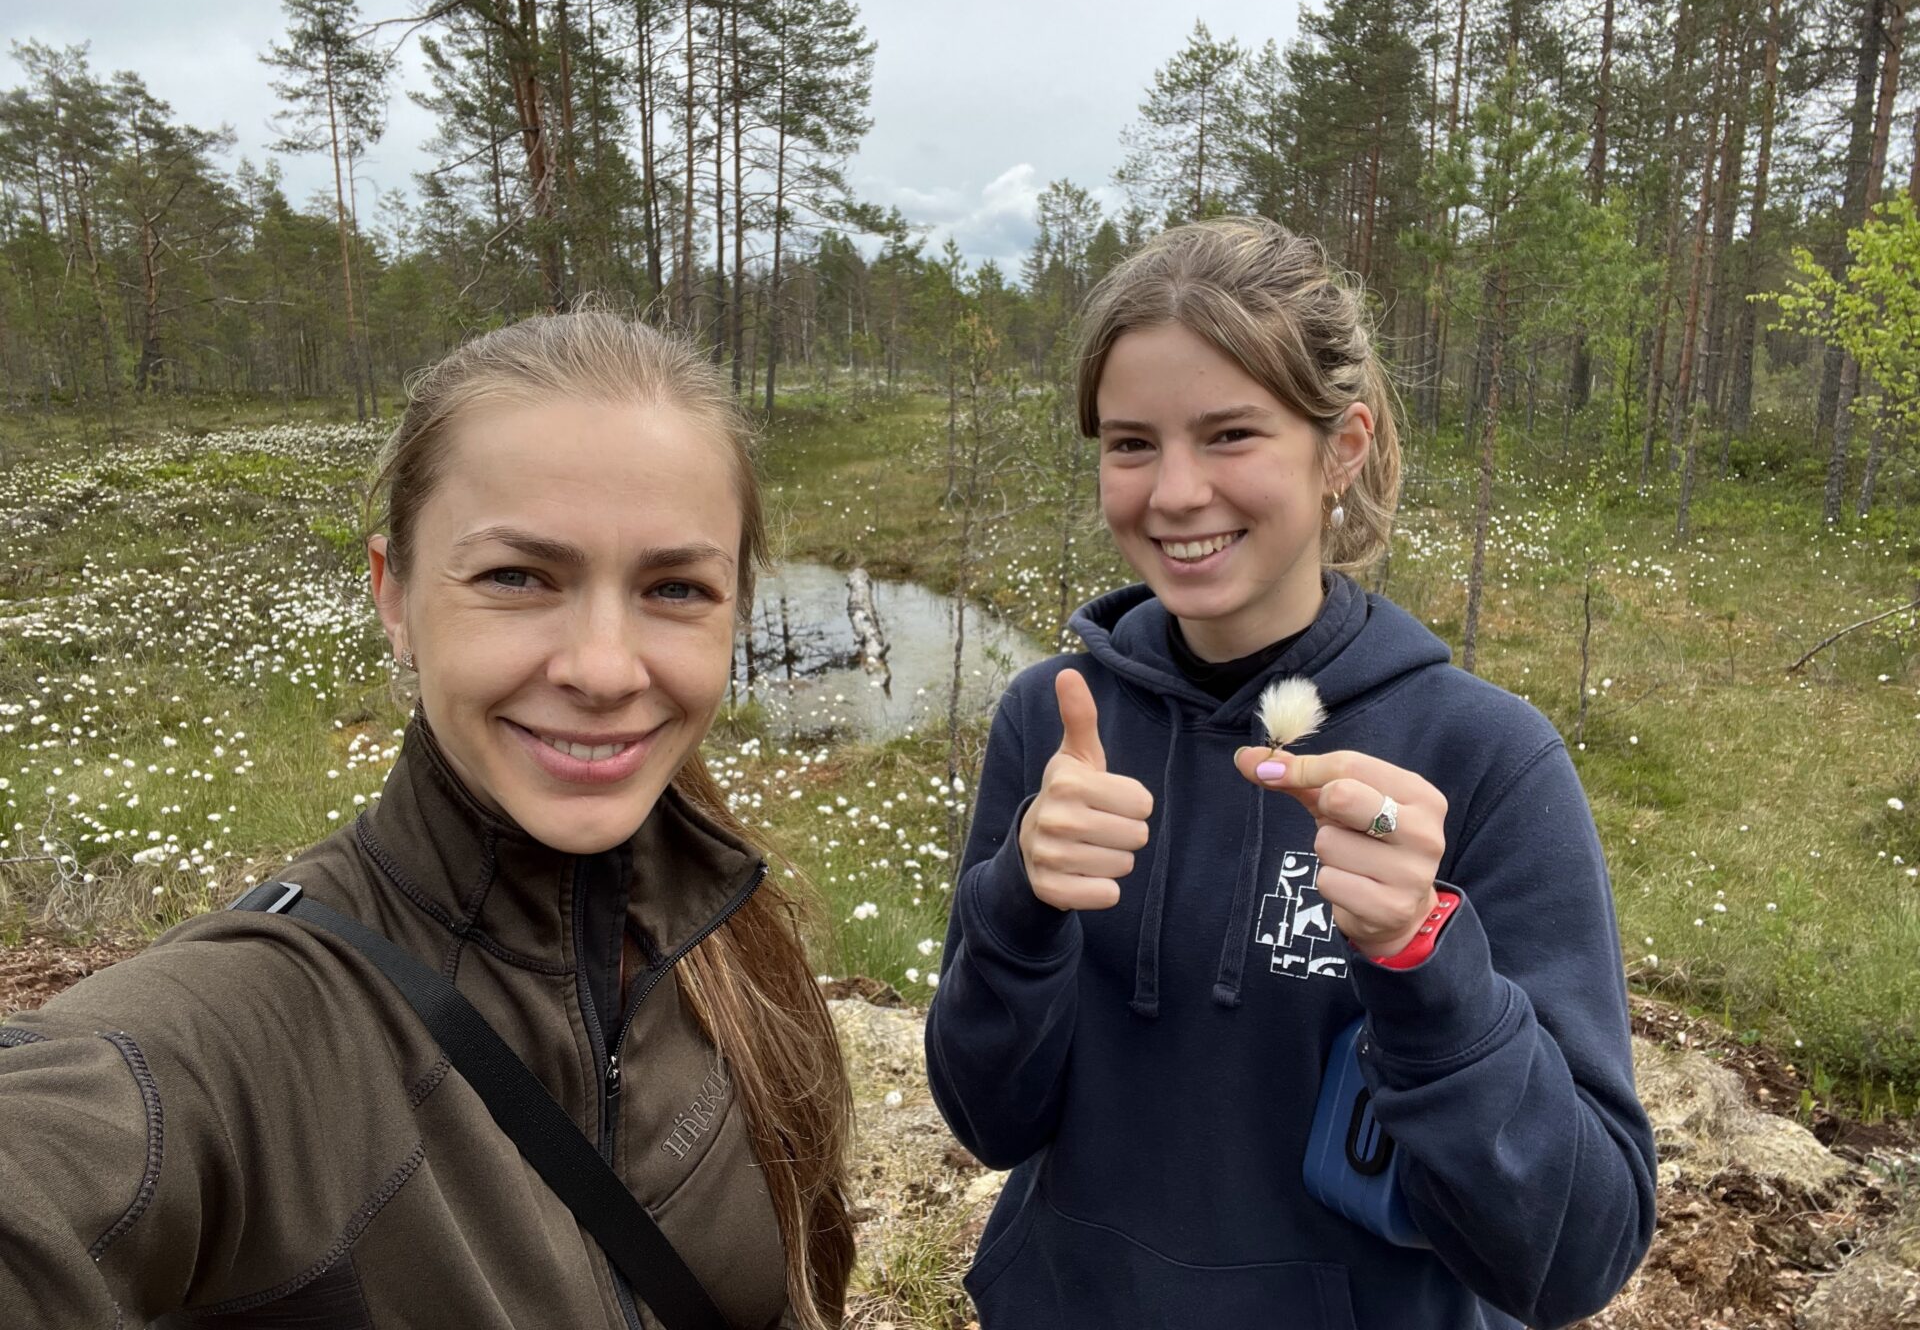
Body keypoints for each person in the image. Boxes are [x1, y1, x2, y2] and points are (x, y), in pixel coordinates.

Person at [0, 312, 854, 1329]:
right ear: (394, 595)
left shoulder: (733, 936)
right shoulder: (258, 1028)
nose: (604, 669)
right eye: (518, 578)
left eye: (675, 587)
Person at [926, 219, 1656, 1330]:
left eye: (1229, 434)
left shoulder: (1487, 761)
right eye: (1131, 444)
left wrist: (1425, 962)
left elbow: (1576, 1254)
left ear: (1342, 447)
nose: (1174, 493)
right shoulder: (1054, 724)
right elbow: (991, 1118)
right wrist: (1016, 910)